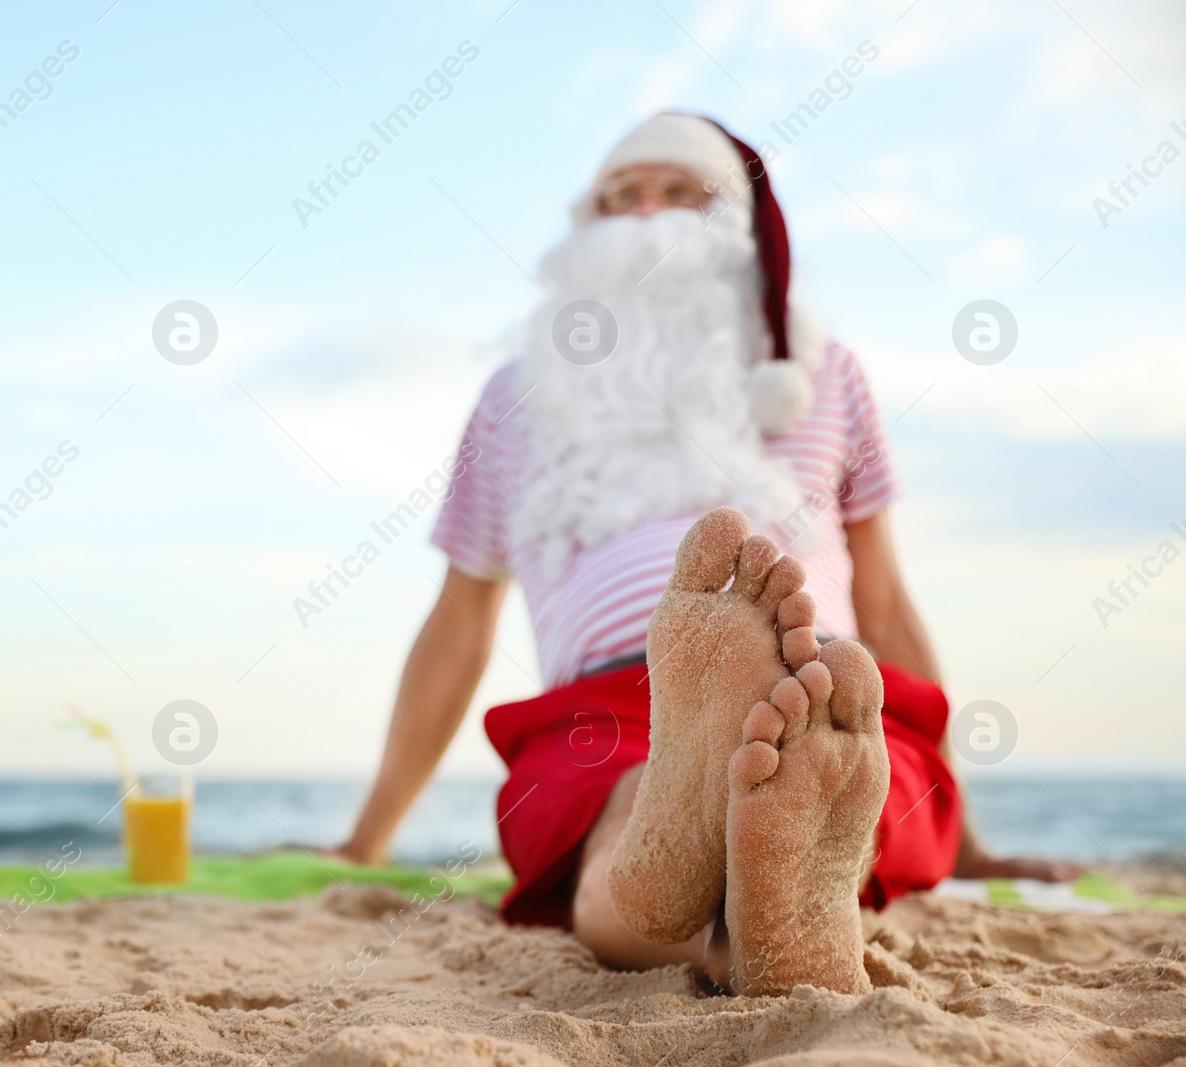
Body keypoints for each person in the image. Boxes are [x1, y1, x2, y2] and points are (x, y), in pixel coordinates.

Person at [334, 112, 1077, 994]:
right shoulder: (511, 397)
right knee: (631, 785)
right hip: (606, 702)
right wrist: (365, 837)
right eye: (621, 198)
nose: (648, 215)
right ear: (585, 231)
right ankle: (724, 864)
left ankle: (705, 887)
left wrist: (972, 839)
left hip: (822, 678)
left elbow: (883, 602)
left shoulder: (823, 368)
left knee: (835, 749)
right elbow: (459, 625)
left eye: (681, 193)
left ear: (736, 224)